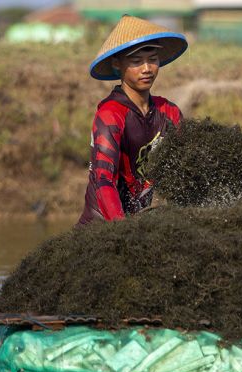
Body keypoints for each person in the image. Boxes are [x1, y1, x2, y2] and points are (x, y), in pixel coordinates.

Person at [78, 15, 188, 225]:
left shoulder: (169, 112)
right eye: (137, 61)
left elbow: (185, 169)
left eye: (152, 59)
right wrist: (124, 233)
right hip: (101, 228)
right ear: (118, 64)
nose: (147, 69)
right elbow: (104, 180)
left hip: (138, 222)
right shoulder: (110, 114)